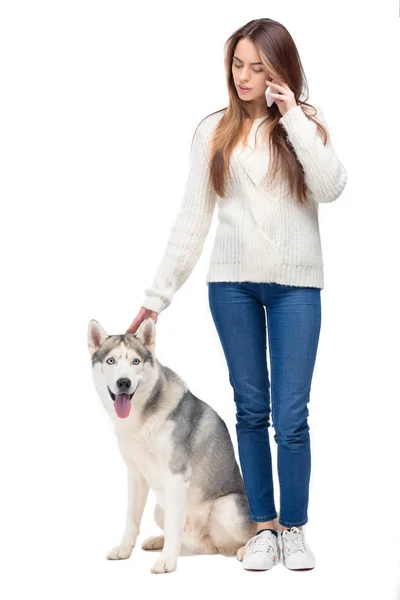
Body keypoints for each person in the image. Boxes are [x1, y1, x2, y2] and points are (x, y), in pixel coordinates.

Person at [126, 17, 347, 571]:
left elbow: (331, 187)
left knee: (290, 413)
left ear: (280, 71)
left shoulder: (304, 124)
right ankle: (263, 529)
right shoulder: (213, 131)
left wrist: (292, 113)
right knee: (251, 411)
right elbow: (192, 219)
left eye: (258, 66)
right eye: (238, 64)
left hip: (298, 286)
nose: (244, 76)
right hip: (231, 287)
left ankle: (294, 529)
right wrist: (157, 296)